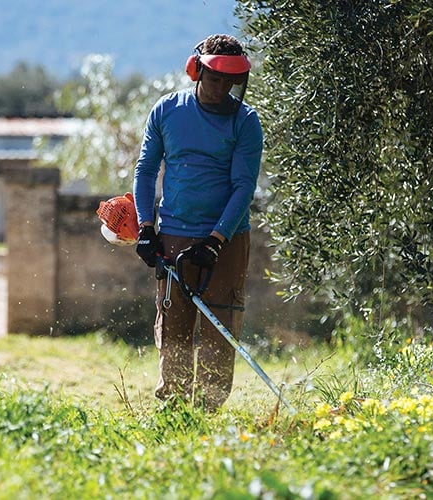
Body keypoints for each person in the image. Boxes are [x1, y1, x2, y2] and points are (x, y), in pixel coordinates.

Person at [132, 34, 264, 411]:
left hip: (227, 239)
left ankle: (207, 410)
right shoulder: (167, 111)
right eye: (215, 79)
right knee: (173, 322)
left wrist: (216, 239)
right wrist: (146, 228)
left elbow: (243, 188)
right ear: (197, 71)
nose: (221, 89)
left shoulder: (246, 122)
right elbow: (145, 172)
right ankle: (174, 407)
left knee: (219, 326)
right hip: (173, 234)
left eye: (229, 82)